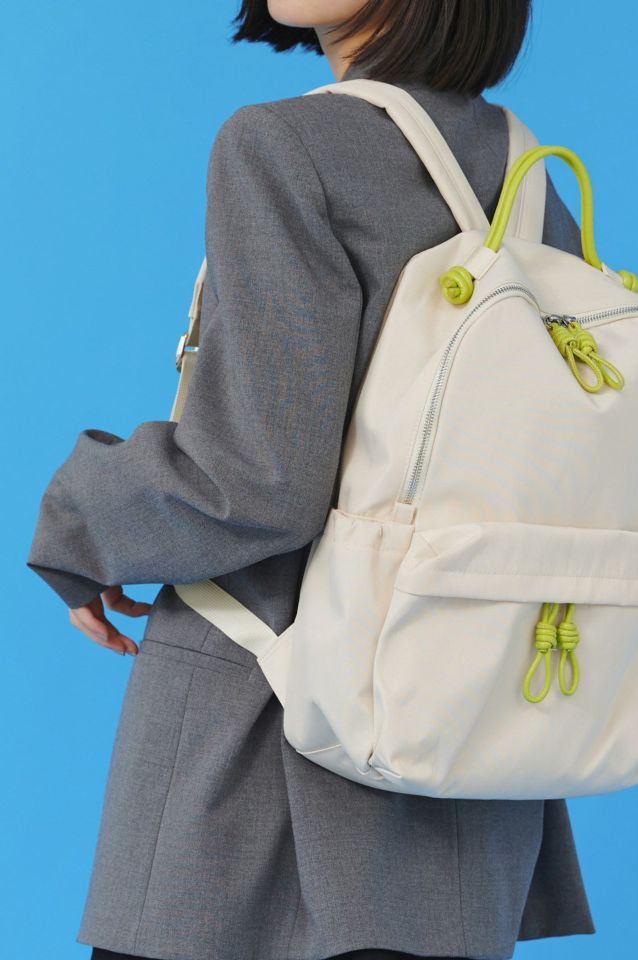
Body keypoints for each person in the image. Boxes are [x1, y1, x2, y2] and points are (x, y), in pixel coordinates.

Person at [26, 2, 597, 958]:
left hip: (255, 769)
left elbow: (254, 483)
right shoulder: (528, 180)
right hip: (467, 751)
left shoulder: (283, 145)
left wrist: (78, 517)